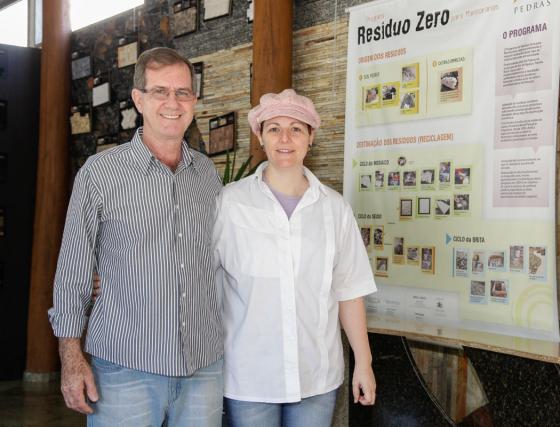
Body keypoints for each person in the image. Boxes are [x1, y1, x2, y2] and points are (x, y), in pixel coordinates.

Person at [48, 47, 224, 426]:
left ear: (193, 99)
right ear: (139, 99)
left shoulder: (208, 175)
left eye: (183, 92)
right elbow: (73, 271)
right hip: (125, 366)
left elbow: (220, 260)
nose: (173, 103)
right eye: (160, 91)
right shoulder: (100, 174)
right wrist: (70, 356)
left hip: (203, 365)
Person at [213, 89, 376, 426]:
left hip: (315, 377)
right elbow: (198, 278)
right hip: (249, 379)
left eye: (296, 128)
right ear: (260, 136)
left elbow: (350, 290)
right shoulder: (229, 203)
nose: (285, 138)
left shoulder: (334, 208)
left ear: (310, 137)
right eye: (274, 128)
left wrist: (364, 362)